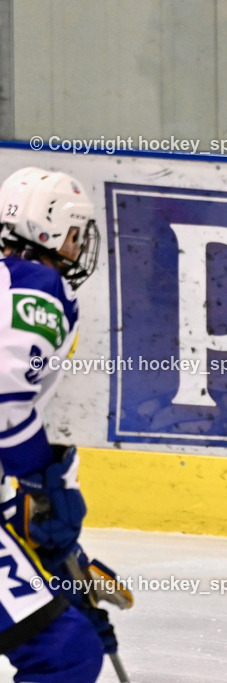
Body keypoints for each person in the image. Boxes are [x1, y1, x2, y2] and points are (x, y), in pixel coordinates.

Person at [0, 166, 130, 682]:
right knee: (65, 651)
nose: (79, 248)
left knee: (62, 634)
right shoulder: (35, 285)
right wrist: (43, 485)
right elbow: (7, 400)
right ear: (55, 232)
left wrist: (59, 570)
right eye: (76, 234)